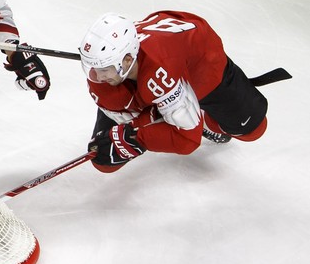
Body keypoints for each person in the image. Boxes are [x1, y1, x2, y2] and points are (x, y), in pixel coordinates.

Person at [78, 11, 269, 173]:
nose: (98, 77)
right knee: (104, 160)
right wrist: (127, 138)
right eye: (93, 67)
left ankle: (206, 119)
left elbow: (187, 140)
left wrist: (137, 138)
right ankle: (166, 109)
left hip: (202, 67)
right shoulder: (105, 69)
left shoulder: (160, 69)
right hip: (158, 66)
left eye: (103, 69)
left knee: (253, 130)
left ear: (127, 60)